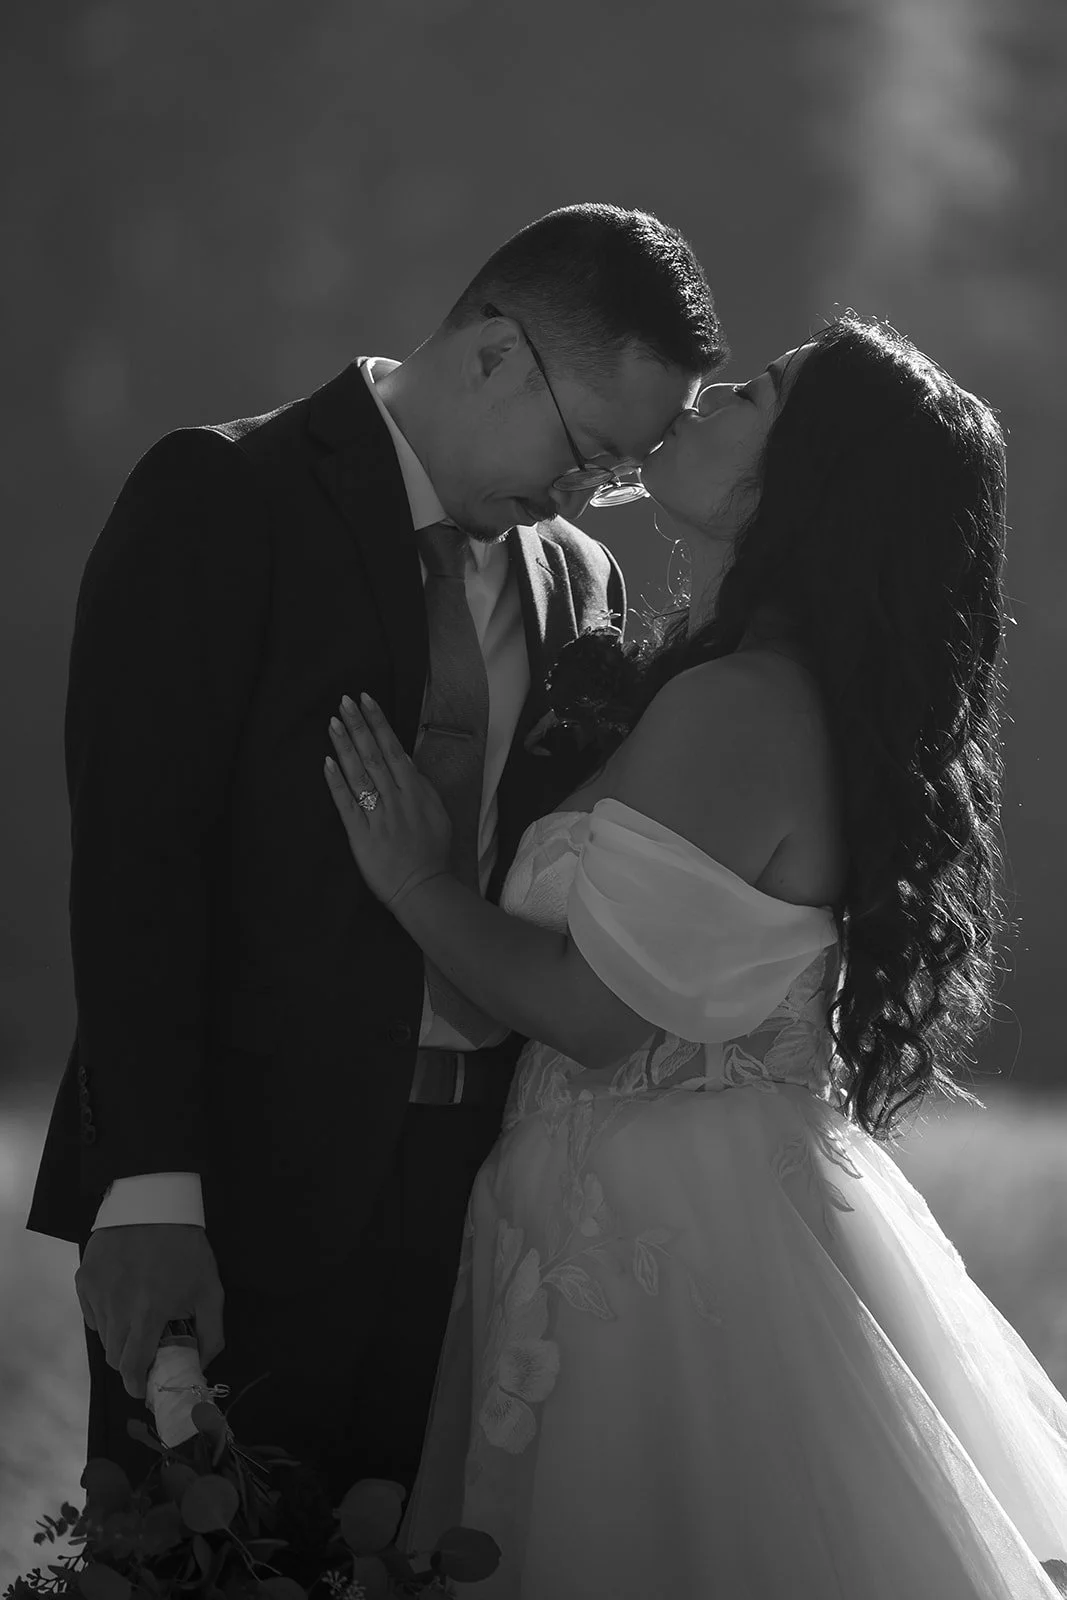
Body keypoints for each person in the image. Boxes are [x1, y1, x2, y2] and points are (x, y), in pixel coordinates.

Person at [322, 313, 1067, 1596]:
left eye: (756, 396)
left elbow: (589, 1014)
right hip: (629, 1216)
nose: (709, 395)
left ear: (799, 486)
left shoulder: (737, 709)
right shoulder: (725, 683)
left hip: (661, 1263)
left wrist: (413, 877)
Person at [25, 204, 724, 1523]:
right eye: (583, 452)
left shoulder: (578, 583)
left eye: (615, 473)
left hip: (472, 1216)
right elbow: (134, 869)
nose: (585, 496)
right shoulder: (222, 499)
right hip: (229, 1195)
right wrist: (150, 1189)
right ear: (490, 353)